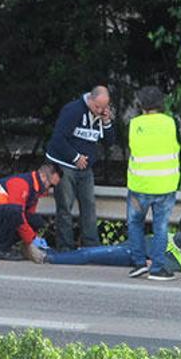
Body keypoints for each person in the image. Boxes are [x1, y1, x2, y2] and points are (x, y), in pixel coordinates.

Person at [45, 85, 116, 250]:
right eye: (97, 106)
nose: (100, 110)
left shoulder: (100, 115)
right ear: (90, 99)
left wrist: (106, 122)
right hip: (64, 164)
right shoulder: (73, 110)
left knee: (89, 206)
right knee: (65, 206)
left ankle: (91, 245)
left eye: (103, 107)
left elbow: (109, 143)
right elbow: (58, 139)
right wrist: (75, 157)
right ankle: (65, 246)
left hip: (85, 167)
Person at [125, 85, 181, 281]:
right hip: (164, 185)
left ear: (141, 105)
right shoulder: (171, 123)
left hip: (139, 185)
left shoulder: (134, 124)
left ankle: (139, 263)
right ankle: (157, 268)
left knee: (135, 223)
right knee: (161, 227)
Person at [0, 163, 62, 262]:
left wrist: (33, 238)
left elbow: (28, 216)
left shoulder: (35, 191)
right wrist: (31, 241)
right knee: (15, 211)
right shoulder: (21, 183)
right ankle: (1, 249)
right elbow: (18, 215)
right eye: (51, 185)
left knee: (36, 221)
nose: (50, 189)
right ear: (43, 176)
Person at [42, 233, 181, 274]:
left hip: (131, 253)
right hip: (131, 247)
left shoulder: (176, 260)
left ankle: (49, 258)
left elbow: (153, 264)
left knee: (88, 255)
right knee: (88, 252)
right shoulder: (179, 242)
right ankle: (52, 254)